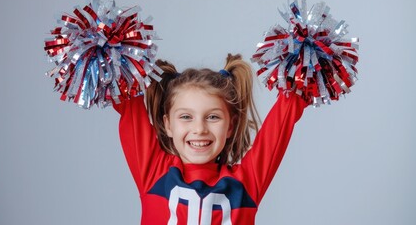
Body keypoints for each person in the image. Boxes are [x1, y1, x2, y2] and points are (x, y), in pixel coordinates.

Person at [113, 54, 307, 224]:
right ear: (168, 125)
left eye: (213, 117)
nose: (199, 129)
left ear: (230, 125)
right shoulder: (153, 172)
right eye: (186, 117)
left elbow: (286, 113)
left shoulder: (246, 183)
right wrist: (113, 51)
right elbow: (127, 101)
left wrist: (305, 66)